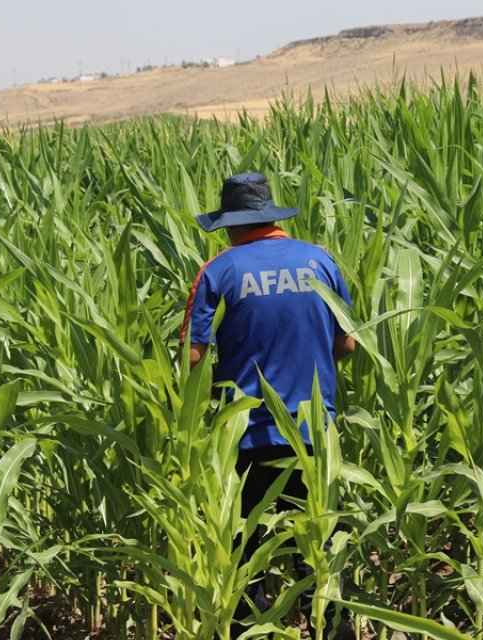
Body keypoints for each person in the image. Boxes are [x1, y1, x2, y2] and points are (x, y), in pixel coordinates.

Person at [181, 172, 356, 633]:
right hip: (316, 434)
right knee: (320, 553)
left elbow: (191, 360)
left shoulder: (219, 271)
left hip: (248, 437)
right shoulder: (321, 262)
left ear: (232, 224)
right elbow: (349, 345)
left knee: (246, 557)